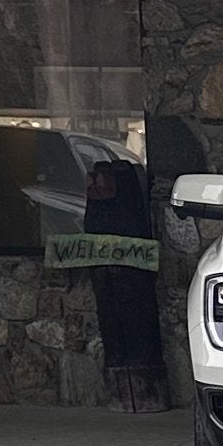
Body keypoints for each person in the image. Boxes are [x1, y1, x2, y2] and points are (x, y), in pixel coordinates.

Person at [78, 157, 166, 412]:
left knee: (136, 322)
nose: (99, 186)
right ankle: (120, 377)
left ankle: (143, 385)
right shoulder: (97, 211)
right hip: (107, 280)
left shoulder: (129, 207)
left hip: (131, 280)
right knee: (111, 321)